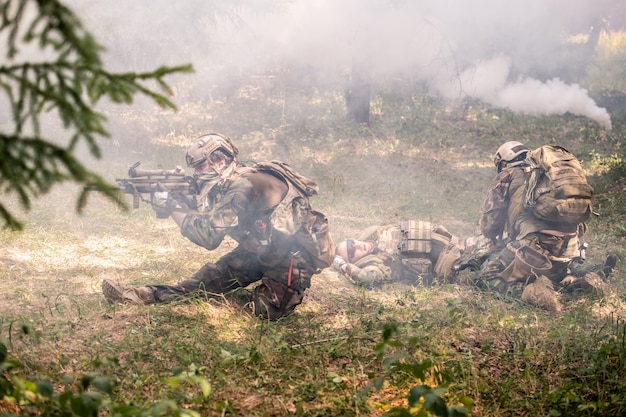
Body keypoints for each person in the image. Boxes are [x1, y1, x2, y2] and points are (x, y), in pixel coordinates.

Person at [102, 133, 334, 320]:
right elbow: (205, 211)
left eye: (200, 166)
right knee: (202, 283)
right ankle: (141, 294)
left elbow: (207, 237)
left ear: (219, 160)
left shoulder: (242, 186)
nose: (197, 173)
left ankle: (280, 286)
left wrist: (170, 204)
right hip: (259, 250)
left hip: (293, 257)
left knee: (267, 312)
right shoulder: (230, 181)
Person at [459, 140, 615, 311]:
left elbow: (491, 224)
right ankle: (582, 279)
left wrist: (488, 238)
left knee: (486, 278)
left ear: (503, 162)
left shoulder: (506, 175)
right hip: (569, 249)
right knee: (556, 272)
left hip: (533, 249)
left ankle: (531, 291)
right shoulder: (545, 173)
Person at [331, 220, 470, 288]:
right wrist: (341, 264)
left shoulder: (375, 233)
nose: (356, 246)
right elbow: (366, 278)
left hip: (461, 244)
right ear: (353, 262)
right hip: (460, 267)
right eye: (351, 251)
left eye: (351, 243)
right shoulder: (378, 264)